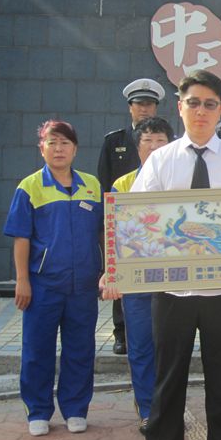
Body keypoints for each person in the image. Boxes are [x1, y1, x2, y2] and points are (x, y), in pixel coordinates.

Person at [117, 70, 221, 440]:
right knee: (168, 378)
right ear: (180, 107)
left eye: (210, 104)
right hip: (173, 292)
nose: (201, 111)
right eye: (194, 103)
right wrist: (119, 266)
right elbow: (138, 220)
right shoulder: (161, 161)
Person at [5, 120, 103, 437]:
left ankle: (75, 409)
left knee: (80, 349)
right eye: (52, 143)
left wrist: (106, 271)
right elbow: (21, 237)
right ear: (42, 148)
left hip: (83, 285)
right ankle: (38, 411)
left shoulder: (92, 185)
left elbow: (106, 231)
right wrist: (22, 280)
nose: (58, 149)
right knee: (37, 349)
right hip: (43, 285)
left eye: (65, 143)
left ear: (75, 149)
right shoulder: (30, 187)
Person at [111, 117, 175, 434]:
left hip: (173, 280)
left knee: (171, 348)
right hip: (136, 280)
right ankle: (148, 410)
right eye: (147, 141)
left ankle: (169, 408)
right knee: (140, 346)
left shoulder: (180, 181)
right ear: (137, 148)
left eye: (160, 141)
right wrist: (111, 273)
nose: (153, 147)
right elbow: (112, 232)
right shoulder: (122, 184)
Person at [98, 78, 166, 355]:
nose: (144, 109)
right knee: (123, 278)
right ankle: (121, 332)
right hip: (127, 226)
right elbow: (106, 184)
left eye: (149, 104)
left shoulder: (168, 144)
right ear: (130, 107)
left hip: (160, 233)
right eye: (139, 104)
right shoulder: (114, 141)